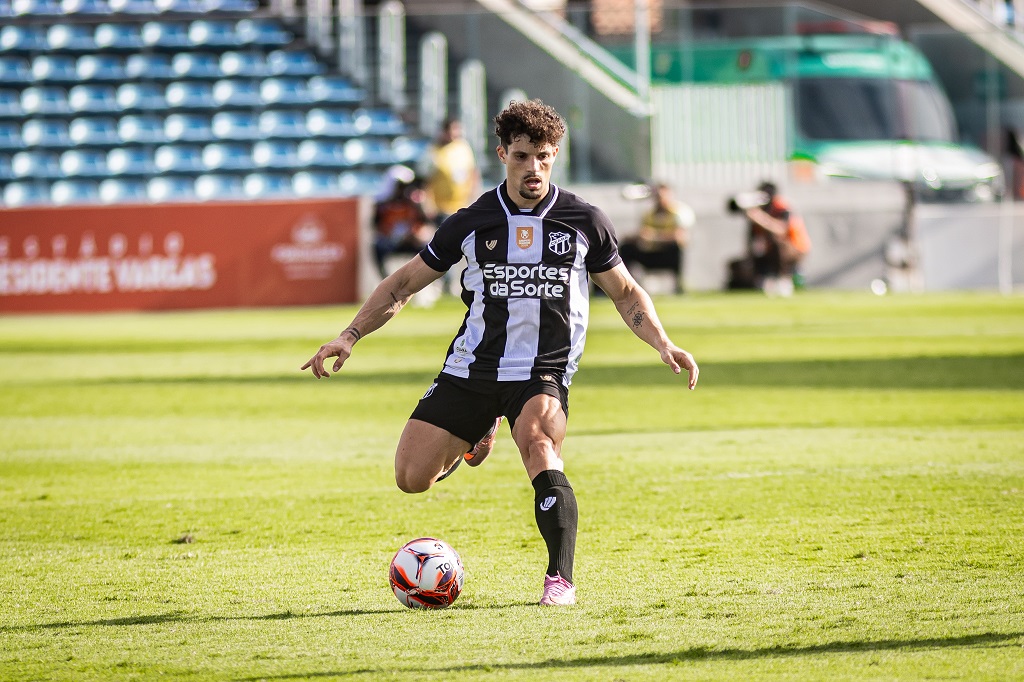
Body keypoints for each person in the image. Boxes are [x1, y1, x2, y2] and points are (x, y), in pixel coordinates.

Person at [301, 99, 699, 607]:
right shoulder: (472, 220)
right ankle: (478, 433)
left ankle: (560, 579)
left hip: (543, 370)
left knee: (538, 442)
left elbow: (624, 292)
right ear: (502, 155)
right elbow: (402, 284)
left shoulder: (583, 220)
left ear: (555, 157)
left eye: (544, 157)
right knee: (410, 479)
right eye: (522, 156)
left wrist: (663, 342)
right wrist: (349, 335)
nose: (534, 168)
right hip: (473, 366)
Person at [619, 182, 694, 294]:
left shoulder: (678, 213)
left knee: (676, 248)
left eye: (661, 196)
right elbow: (643, 233)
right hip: (649, 253)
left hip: (666, 254)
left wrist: (654, 236)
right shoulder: (649, 214)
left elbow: (680, 238)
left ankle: (679, 285)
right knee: (625, 248)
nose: (659, 200)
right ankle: (623, 286)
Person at [743, 181, 811, 296]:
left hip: (796, 247)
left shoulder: (782, 207)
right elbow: (753, 238)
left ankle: (784, 280)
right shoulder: (762, 209)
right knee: (757, 253)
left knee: (778, 244)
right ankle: (762, 281)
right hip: (771, 250)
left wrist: (760, 218)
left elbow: (781, 230)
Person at [420, 117, 481, 225]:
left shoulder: (464, 147)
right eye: (452, 130)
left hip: (462, 206)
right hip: (441, 209)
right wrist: (428, 205)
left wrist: (474, 197)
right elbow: (425, 181)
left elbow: (473, 172)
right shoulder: (433, 151)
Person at [371, 175, 434, 279]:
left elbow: (427, 223)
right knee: (378, 246)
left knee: (433, 247)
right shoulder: (384, 206)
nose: (403, 190)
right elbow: (376, 227)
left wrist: (420, 205)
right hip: (391, 242)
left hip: (411, 241)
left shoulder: (414, 203)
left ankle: (434, 281)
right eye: (400, 187)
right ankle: (386, 279)